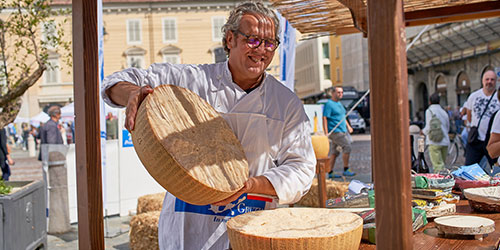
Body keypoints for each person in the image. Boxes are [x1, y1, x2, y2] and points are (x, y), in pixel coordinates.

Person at [101, 2, 316, 249]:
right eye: (253, 40)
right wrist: (133, 93)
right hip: (189, 230)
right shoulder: (192, 80)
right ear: (230, 39)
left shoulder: (285, 102)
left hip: (251, 228)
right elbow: (116, 81)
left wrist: (251, 185)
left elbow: (301, 169)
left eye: (270, 43)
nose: (262, 51)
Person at [464, 70, 500, 166]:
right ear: (482, 81)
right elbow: (469, 115)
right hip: (476, 139)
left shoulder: (498, 97)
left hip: (492, 139)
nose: (489, 81)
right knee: (469, 168)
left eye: (492, 79)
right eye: (487, 79)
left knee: (496, 168)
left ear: (496, 81)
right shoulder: (474, 96)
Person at [322, 86, 355, 178]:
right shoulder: (329, 104)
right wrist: (326, 132)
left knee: (334, 152)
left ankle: (330, 171)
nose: (341, 94)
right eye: (338, 92)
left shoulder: (340, 104)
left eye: (342, 92)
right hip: (335, 131)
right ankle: (346, 169)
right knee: (347, 147)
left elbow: (343, 117)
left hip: (342, 130)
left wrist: (348, 127)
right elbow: (325, 117)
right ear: (333, 93)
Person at [422, 93, 450, 172]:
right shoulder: (444, 112)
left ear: (430, 101)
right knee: (442, 164)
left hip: (434, 141)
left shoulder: (429, 111)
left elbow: (428, 126)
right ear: (439, 101)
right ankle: (444, 179)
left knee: (437, 166)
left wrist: (423, 132)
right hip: (444, 140)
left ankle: (439, 182)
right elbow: (448, 126)